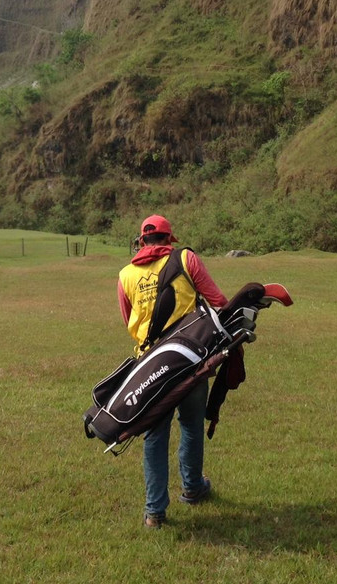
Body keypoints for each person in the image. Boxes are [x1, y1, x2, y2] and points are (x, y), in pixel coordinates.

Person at [117, 214, 228, 529]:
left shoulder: (125, 274)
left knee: (155, 434)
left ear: (142, 242)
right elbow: (219, 302)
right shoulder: (186, 259)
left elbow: (129, 320)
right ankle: (192, 488)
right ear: (169, 239)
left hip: (150, 367)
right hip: (191, 359)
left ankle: (155, 512)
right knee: (192, 425)